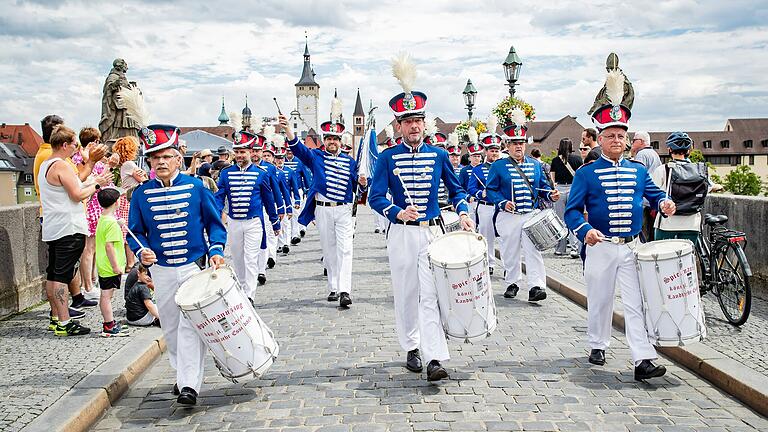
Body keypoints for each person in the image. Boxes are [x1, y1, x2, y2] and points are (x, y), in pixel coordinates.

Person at [369, 55, 473, 382]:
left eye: (418, 120)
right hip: (401, 233)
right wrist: (397, 211)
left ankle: (435, 359)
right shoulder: (387, 158)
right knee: (405, 292)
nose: (414, 126)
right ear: (398, 125)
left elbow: (456, 191)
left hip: (432, 233)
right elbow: (374, 197)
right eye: (407, 121)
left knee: (430, 294)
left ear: (424, 123)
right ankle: (411, 345)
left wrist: (464, 213)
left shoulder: (439, 155)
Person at [564, 99, 676, 381]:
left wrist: (664, 202)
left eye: (621, 136)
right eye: (611, 136)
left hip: (631, 247)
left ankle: (643, 359)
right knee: (600, 300)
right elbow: (572, 211)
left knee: (635, 303)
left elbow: (655, 193)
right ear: (600, 139)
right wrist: (584, 230)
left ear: (627, 140)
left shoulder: (638, 170)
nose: (616, 140)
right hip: (600, 246)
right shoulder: (586, 174)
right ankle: (598, 344)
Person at [128, 124, 227, 405]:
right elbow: (135, 231)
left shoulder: (196, 187)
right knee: (170, 326)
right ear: (149, 162)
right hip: (161, 269)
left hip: (192, 267)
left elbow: (214, 225)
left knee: (189, 326)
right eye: (154, 157)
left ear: (177, 159)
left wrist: (216, 250)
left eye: (166, 156)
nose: (160, 161)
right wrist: (142, 251)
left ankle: (189, 385)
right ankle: (181, 373)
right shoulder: (141, 194)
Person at [280, 96, 366, 308]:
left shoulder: (350, 161)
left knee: (345, 248)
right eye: (328, 138)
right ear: (324, 140)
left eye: (335, 139)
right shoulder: (316, 157)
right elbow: (299, 149)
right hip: (323, 208)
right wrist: (289, 131)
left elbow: (359, 187)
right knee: (329, 249)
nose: (332, 142)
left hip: (344, 210)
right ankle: (334, 286)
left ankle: (345, 289)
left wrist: (363, 182)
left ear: (340, 141)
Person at [39, 125, 112, 335]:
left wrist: (90, 166)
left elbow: (76, 181)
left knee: (53, 274)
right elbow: (77, 195)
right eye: (74, 144)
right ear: (64, 145)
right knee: (62, 276)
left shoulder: (47, 164)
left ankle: (55, 318)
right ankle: (64, 322)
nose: (76, 148)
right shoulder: (61, 165)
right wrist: (97, 184)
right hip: (68, 227)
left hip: (55, 226)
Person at [486, 112, 560, 301]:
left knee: (533, 249)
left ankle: (536, 286)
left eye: (521, 143)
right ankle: (513, 282)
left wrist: (550, 194)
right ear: (508, 145)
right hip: (508, 215)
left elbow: (542, 187)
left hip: (530, 214)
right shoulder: (498, 166)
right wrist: (503, 202)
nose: (518, 146)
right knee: (510, 250)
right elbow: (491, 190)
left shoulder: (535, 165)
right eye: (514, 143)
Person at [215, 131, 279, 303]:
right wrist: (215, 214)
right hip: (235, 221)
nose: (239, 155)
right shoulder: (226, 173)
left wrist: (275, 222)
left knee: (251, 257)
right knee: (237, 258)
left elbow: (268, 198)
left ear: (251, 152)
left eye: (243, 151)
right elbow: (220, 196)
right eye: (237, 151)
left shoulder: (261, 173)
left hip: (254, 222)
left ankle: (249, 294)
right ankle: (243, 286)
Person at [651, 132, 717, 242]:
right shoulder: (699, 171)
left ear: (670, 149)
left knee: (663, 256)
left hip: (668, 224)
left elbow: (653, 192)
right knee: (687, 257)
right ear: (688, 151)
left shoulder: (663, 169)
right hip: (691, 224)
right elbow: (709, 187)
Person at [468, 123, 503, 276]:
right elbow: (471, 189)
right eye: (491, 151)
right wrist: (479, 194)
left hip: (503, 207)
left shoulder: (505, 167)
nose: (494, 153)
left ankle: (508, 266)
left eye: (496, 150)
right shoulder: (477, 170)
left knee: (504, 237)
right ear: (486, 152)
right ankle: (489, 263)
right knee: (486, 237)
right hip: (486, 206)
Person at [95, 187, 127, 337]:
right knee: (107, 296)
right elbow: (109, 246)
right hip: (110, 266)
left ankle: (109, 323)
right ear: (116, 202)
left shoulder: (104, 219)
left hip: (103, 264)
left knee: (105, 295)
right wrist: (116, 266)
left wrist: (118, 222)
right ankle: (108, 325)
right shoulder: (112, 224)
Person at [549, 138, 583, 258]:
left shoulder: (555, 161)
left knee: (560, 220)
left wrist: (555, 188)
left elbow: (552, 179)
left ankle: (561, 248)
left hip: (560, 190)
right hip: (574, 190)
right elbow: (580, 176)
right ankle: (574, 248)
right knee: (574, 218)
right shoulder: (578, 159)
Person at [631, 131, 662, 242]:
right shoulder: (654, 153)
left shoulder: (642, 154)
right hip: (653, 200)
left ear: (642, 142)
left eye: (634, 140)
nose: (632, 142)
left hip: (644, 201)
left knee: (642, 234)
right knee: (652, 234)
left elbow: (637, 176)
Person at [274, 145, 301, 254]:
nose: (279, 160)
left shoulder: (290, 171)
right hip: (274, 200)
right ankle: (280, 244)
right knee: (277, 222)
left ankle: (286, 243)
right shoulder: (272, 171)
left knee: (286, 222)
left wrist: (297, 200)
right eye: (277, 158)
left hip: (286, 199)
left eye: (281, 158)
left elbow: (294, 187)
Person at [284, 146, 311, 244]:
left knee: (295, 213)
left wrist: (308, 190)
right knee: (287, 214)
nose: (289, 153)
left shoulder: (299, 162)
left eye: (291, 151)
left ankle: (295, 234)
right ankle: (287, 236)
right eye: (287, 151)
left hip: (297, 190)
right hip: (285, 191)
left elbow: (305, 176)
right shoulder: (281, 161)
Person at [459, 138, 483, 223]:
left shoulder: (485, 169)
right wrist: (468, 197)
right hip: (470, 201)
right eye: (474, 156)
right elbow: (461, 188)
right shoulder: (464, 171)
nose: (476, 158)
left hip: (483, 201)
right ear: (470, 157)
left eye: (478, 156)